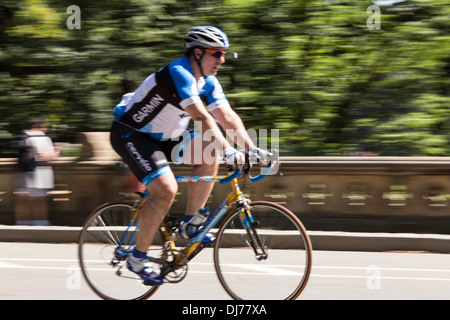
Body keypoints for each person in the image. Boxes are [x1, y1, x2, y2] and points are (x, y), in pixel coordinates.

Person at [110, 26, 271, 285]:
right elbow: (201, 117)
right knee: (166, 190)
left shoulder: (208, 81)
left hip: (168, 135)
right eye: (216, 53)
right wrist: (229, 149)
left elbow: (226, 116)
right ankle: (137, 258)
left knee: (210, 155)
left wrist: (250, 148)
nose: (222, 59)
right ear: (197, 53)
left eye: (224, 54)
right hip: (133, 134)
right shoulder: (179, 72)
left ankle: (189, 223)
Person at [14, 118, 61, 226]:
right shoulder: (42, 137)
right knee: (40, 199)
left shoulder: (24, 135)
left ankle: (21, 223)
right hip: (39, 171)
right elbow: (45, 156)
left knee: (23, 198)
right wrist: (58, 150)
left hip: (23, 171)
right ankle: (41, 222)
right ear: (42, 126)